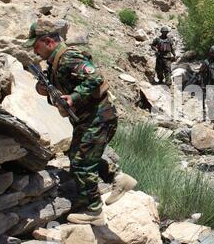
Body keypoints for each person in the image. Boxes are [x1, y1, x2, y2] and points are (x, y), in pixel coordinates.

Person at [23, 19, 136, 226]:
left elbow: (95, 78)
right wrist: (46, 90)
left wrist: (74, 97)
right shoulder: (55, 63)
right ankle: (117, 178)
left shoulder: (68, 57)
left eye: (36, 46)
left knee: (81, 163)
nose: (35, 51)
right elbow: (61, 89)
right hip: (90, 118)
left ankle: (93, 211)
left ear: (48, 41)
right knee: (76, 156)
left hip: (99, 117)